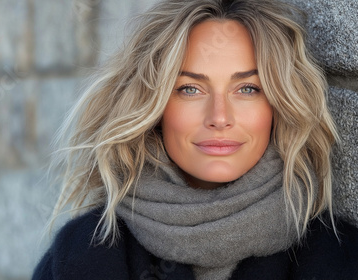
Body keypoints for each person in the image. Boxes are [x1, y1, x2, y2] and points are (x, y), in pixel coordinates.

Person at [33, 0, 358, 279]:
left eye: (247, 89)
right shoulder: (81, 255)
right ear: (155, 105)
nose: (219, 116)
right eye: (190, 88)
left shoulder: (340, 257)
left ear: (277, 105)